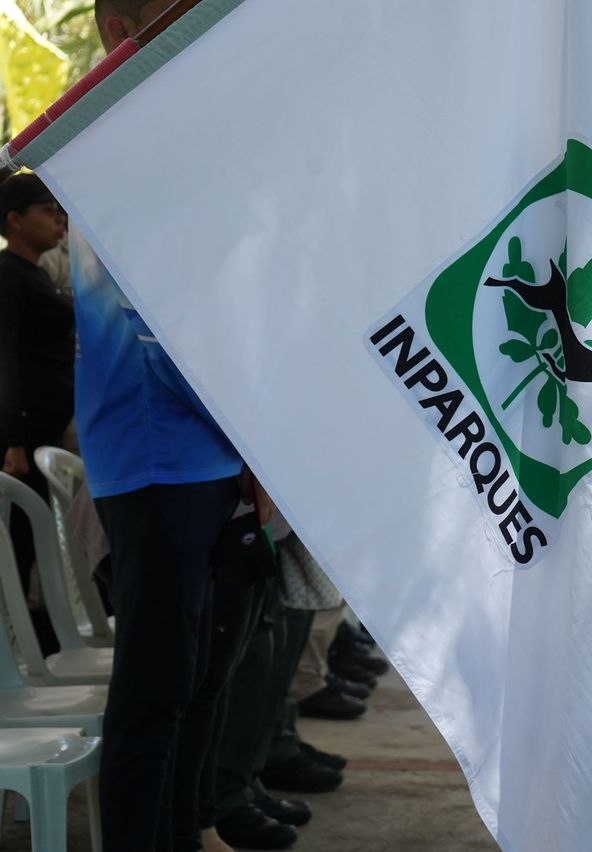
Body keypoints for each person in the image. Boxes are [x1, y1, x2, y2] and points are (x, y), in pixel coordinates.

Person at [78, 3, 249, 849]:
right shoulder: (112, 131)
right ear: (120, 25)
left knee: (193, 677)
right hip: (159, 456)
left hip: (200, 455)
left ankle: (181, 831)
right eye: (165, 10)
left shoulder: (170, 122)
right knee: (152, 688)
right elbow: (157, 328)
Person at [0, 173, 72, 648]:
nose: (59, 219)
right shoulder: (7, 274)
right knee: (17, 541)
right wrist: (13, 439)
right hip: (22, 435)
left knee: (32, 537)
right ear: (15, 220)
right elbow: (3, 356)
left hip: (44, 426)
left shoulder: (35, 272)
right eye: (47, 210)